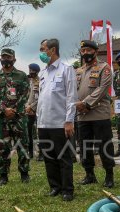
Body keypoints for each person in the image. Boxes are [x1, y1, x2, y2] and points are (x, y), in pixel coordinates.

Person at [37, 38, 77, 201]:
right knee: (49, 157)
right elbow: (42, 98)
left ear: (52, 50)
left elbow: (71, 97)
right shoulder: (43, 73)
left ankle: (67, 189)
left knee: (63, 157)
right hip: (43, 123)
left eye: (43, 49)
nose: (41, 53)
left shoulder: (66, 69)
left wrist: (69, 121)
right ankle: (55, 186)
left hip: (60, 123)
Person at [75, 40, 115, 188]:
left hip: (99, 114)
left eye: (88, 50)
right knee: (84, 146)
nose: (85, 53)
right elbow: (73, 91)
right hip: (82, 116)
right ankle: (89, 174)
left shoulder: (104, 68)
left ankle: (109, 175)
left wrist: (86, 103)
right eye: (83, 50)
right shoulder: (78, 71)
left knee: (104, 145)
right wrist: (77, 104)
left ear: (96, 52)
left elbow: (103, 89)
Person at [0, 48, 30, 185]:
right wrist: (5, 109)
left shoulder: (22, 75)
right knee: (2, 147)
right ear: (0, 59)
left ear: (14, 59)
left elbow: (25, 94)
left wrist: (15, 110)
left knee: (22, 146)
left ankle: (24, 173)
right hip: (1, 118)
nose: (5, 59)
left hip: (19, 117)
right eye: (3, 57)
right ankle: (3, 175)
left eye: (8, 57)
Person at [25, 63, 41, 159]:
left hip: (38, 109)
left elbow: (40, 97)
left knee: (39, 132)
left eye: (32, 70)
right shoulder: (27, 81)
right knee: (28, 133)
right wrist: (27, 106)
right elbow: (24, 96)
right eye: (30, 70)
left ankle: (41, 153)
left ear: (36, 71)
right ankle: (30, 152)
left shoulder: (40, 81)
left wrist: (32, 107)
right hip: (28, 110)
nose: (31, 72)